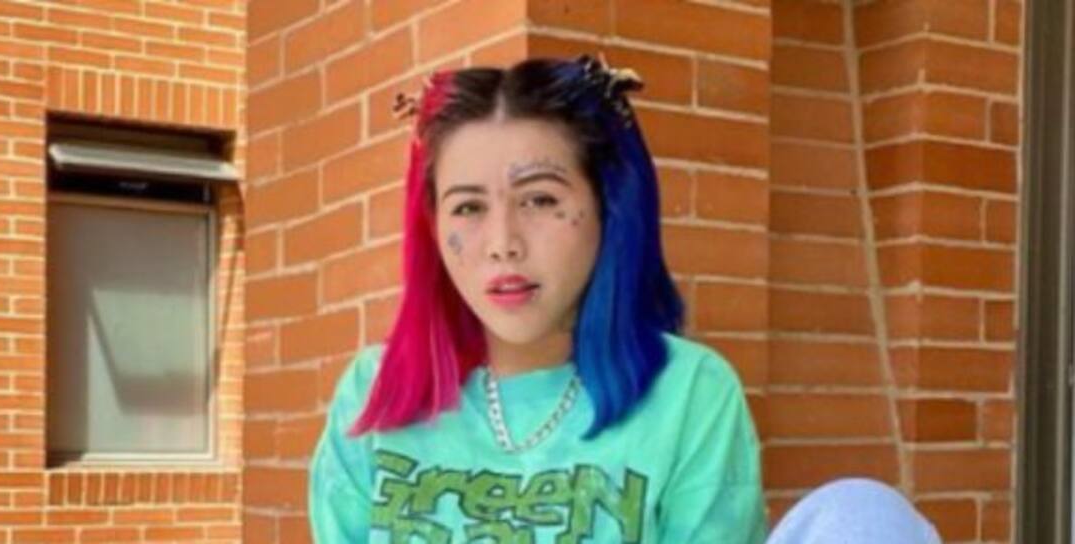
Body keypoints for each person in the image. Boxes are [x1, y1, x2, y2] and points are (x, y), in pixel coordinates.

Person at [307, 54, 941, 544]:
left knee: (863, 516)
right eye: (468, 207)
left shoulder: (689, 394)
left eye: (540, 200)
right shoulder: (373, 393)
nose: (502, 244)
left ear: (609, 207)